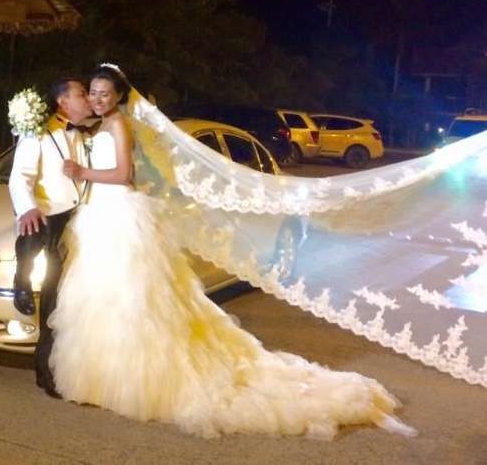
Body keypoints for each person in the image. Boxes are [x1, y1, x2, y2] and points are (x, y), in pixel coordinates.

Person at [49, 64, 417, 439]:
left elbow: (124, 174)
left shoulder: (119, 126)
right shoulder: (99, 126)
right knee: (107, 300)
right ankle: (107, 375)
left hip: (120, 213)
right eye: (93, 92)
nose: (97, 99)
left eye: (105, 93)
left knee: (134, 301)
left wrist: (82, 172)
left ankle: (135, 380)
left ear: (118, 97)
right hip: (99, 215)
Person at [8, 77, 94, 398]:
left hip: (78, 222)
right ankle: (45, 371)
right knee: (51, 297)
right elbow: (20, 177)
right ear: (63, 101)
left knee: (63, 300)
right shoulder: (38, 132)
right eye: (81, 94)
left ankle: (59, 368)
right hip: (49, 219)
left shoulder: (86, 133)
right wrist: (27, 208)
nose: (88, 99)